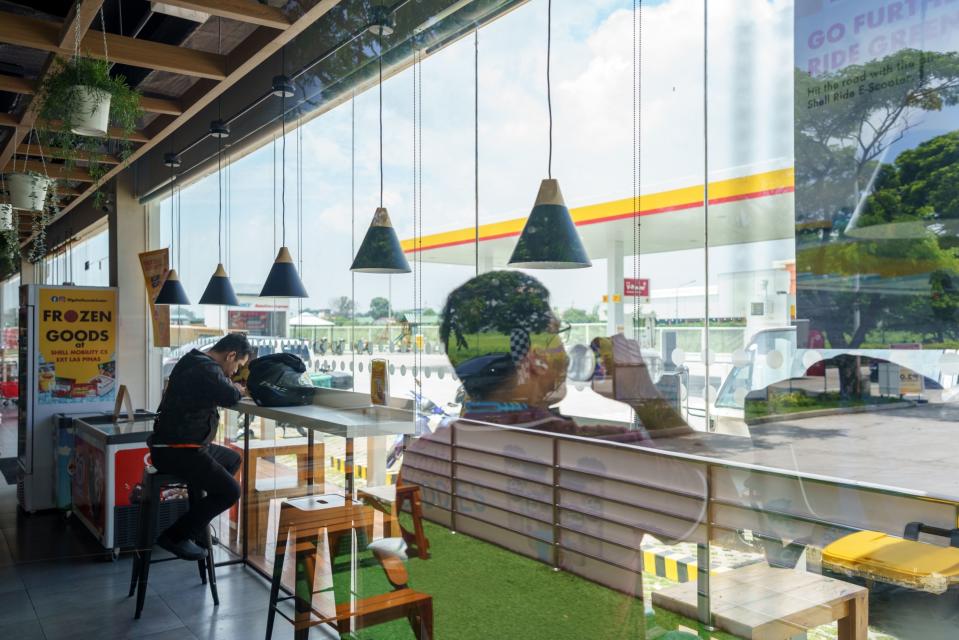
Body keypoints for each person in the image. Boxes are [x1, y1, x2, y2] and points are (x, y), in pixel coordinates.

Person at [436, 270, 693, 441]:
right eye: (558, 334)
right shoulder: (607, 447)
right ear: (536, 359)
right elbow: (718, 497)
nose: (565, 352)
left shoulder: (428, 451)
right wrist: (644, 395)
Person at [148, 333, 252, 560]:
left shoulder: (193, 359)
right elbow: (229, 394)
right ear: (230, 354)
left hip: (178, 446)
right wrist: (239, 388)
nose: (235, 371)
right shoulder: (206, 368)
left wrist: (231, 384)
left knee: (232, 459)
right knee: (231, 491)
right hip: (179, 450)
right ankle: (175, 536)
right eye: (238, 365)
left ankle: (196, 525)